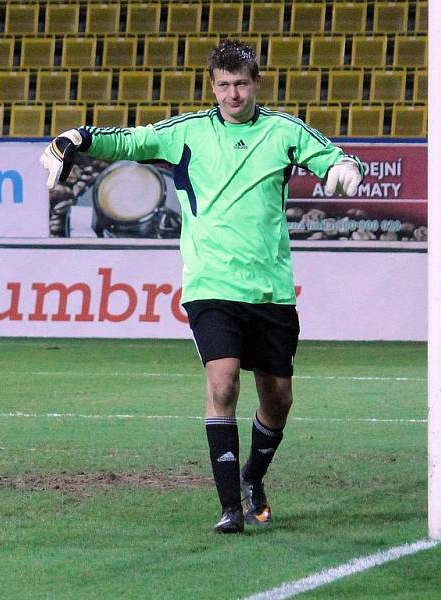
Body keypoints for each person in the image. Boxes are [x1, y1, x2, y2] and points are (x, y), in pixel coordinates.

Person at [40, 39, 363, 534]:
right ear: (212, 86)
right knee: (223, 380)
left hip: (271, 289)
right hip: (210, 284)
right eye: (224, 85)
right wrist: (78, 136)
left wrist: (345, 170)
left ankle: (254, 478)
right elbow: (130, 141)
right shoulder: (187, 131)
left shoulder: (282, 132)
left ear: (257, 83)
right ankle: (230, 506)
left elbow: (335, 158)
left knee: (278, 398)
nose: (233, 94)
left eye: (241, 84)